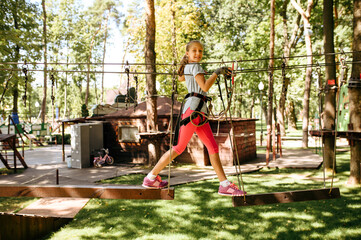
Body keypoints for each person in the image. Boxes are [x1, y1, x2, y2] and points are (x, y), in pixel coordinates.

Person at [142, 40, 245, 196]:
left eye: (200, 51)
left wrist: (213, 72)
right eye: (194, 51)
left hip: (197, 111)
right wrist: (217, 72)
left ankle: (224, 185)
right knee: (179, 148)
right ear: (187, 53)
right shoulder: (195, 66)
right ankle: (150, 177)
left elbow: (182, 78)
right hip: (194, 111)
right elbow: (204, 87)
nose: (198, 53)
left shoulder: (190, 67)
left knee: (212, 147)